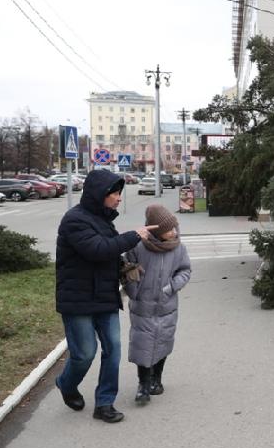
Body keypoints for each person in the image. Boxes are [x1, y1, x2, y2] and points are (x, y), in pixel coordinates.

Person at [55, 170, 156, 423]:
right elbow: (97, 250)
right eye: (115, 193)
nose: (119, 198)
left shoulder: (103, 221)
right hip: (78, 299)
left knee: (113, 349)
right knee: (84, 354)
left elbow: (107, 253)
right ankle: (66, 383)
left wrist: (124, 266)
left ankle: (105, 403)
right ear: (99, 194)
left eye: (120, 193)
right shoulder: (74, 220)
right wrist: (134, 236)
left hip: (104, 297)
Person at [122, 204, 192, 404]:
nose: (174, 232)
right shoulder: (138, 247)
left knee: (163, 341)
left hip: (166, 306)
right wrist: (134, 290)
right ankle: (143, 386)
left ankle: (156, 380)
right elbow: (127, 271)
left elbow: (185, 271)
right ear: (157, 231)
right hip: (142, 306)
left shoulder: (179, 248)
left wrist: (171, 287)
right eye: (169, 229)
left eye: (174, 227)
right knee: (142, 345)